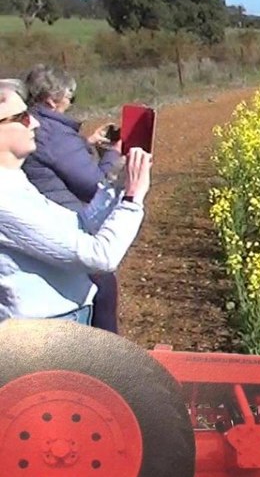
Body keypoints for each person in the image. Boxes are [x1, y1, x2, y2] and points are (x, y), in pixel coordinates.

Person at [0, 81, 151, 324]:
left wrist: (117, 184)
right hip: (45, 332)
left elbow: (79, 224)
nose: (35, 123)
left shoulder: (14, 180)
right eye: (23, 118)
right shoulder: (4, 199)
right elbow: (100, 257)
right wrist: (132, 200)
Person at [19, 65, 126, 332]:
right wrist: (113, 154)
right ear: (51, 100)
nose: (71, 102)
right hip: (64, 223)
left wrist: (85, 145)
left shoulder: (28, 124)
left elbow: (51, 161)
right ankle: (104, 352)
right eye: (70, 97)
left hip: (41, 221)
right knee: (102, 284)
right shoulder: (53, 133)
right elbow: (94, 185)